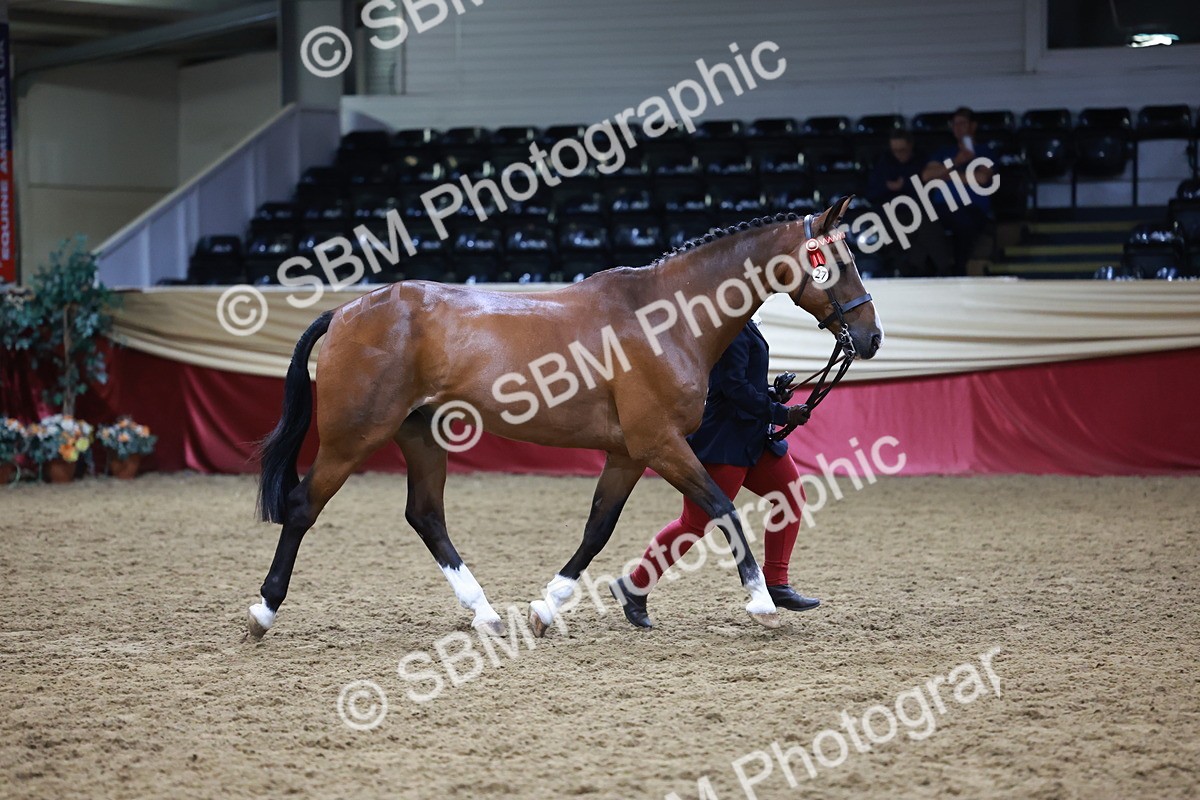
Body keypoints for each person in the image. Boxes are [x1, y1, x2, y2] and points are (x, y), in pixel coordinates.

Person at [609, 318, 819, 628]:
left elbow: (742, 382)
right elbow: (733, 388)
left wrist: (774, 393)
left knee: (790, 496)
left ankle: (775, 582)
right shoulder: (731, 328)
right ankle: (635, 585)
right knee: (695, 523)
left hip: (753, 438)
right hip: (726, 440)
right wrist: (781, 413)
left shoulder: (746, 323)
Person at [866, 129, 953, 276]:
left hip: (918, 211)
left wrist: (904, 184)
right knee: (905, 231)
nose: (898, 154)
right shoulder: (883, 162)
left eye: (902, 150)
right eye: (895, 150)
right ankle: (911, 268)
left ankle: (941, 270)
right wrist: (888, 187)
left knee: (929, 228)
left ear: (910, 146)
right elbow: (871, 193)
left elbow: (925, 184)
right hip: (890, 214)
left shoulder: (922, 160)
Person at [921, 107, 996, 275]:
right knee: (922, 224)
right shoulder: (944, 152)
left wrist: (945, 175)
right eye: (955, 124)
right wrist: (956, 162)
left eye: (963, 123)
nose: (958, 127)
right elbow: (927, 175)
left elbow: (982, 178)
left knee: (964, 222)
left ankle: (959, 269)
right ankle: (941, 269)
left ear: (973, 125)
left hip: (971, 208)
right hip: (942, 207)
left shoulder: (984, 151)